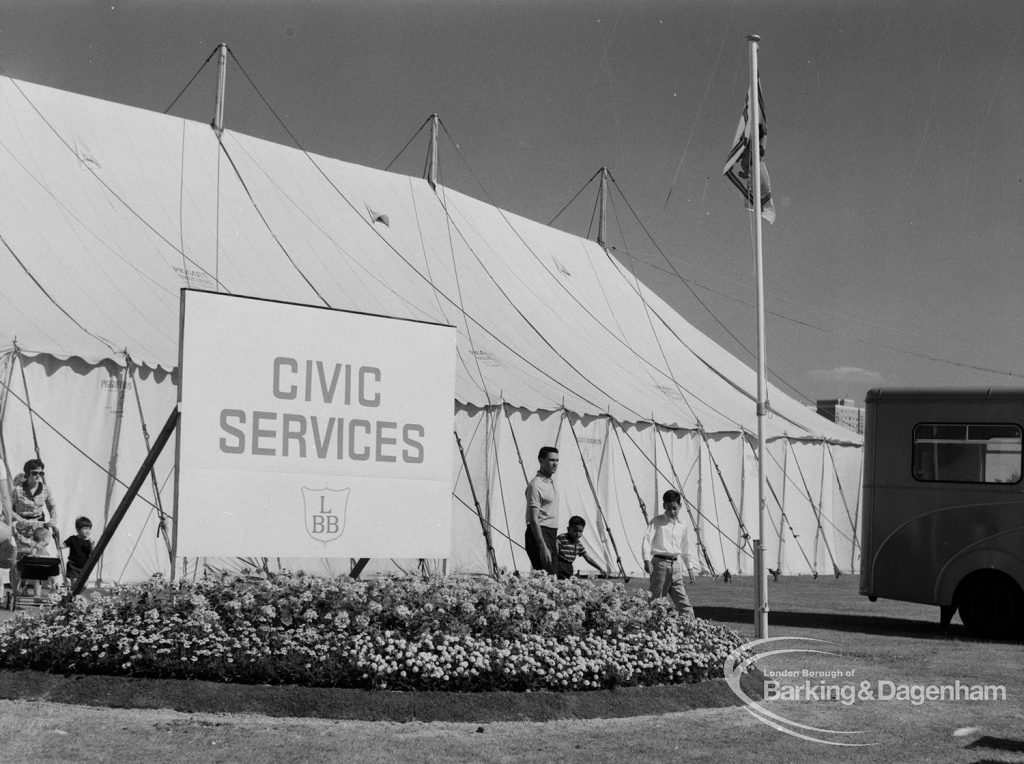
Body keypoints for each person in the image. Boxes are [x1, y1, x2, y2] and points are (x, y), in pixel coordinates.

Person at [641, 489, 697, 619]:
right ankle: (652, 628)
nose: (672, 512)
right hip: (659, 564)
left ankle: (693, 628)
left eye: (675, 508)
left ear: (680, 506)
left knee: (683, 600)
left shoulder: (683, 525)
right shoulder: (657, 522)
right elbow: (647, 541)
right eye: (668, 509)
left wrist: (690, 568)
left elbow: (686, 547)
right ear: (663, 506)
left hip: (676, 565)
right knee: (656, 599)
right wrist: (646, 560)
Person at [525, 446, 560, 574]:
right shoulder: (536, 485)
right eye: (551, 460)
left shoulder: (550, 482)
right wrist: (543, 546)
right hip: (539, 532)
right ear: (541, 460)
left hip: (550, 532)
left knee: (552, 577)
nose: (555, 463)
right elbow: (534, 519)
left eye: (557, 460)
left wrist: (553, 539)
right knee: (547, 578)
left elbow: (550, 512)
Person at [555, 516, 608, 580]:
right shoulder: (562, 538)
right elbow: (554, 552)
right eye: (575, 530)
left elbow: (588, 558)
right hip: (559, 565)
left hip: (569, 567)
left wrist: (600, 568)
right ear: (568, 529)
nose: (577, 533)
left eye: (580, 531)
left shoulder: (579, 544)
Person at [64, 516, 94, 583]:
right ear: (78, 529)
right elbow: (61, 545)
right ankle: (73, 593)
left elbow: (93, 554)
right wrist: (56, 535)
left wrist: (92, 545)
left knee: (84, 584)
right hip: (73, 565)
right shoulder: (72, 539)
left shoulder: (90, 542)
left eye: (89, 528)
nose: (87, 531)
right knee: (75, 584)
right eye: (85, 528)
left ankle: (79, 593)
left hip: (84, 567)